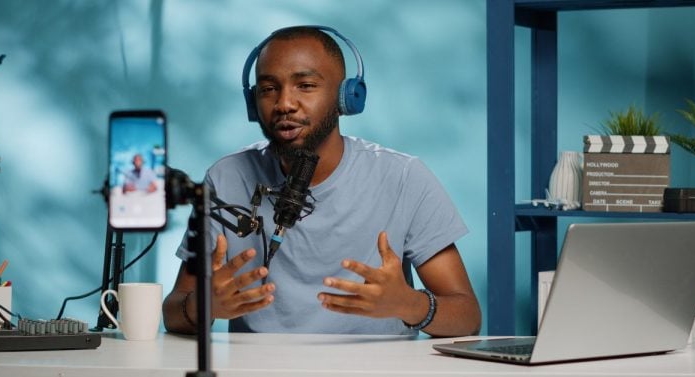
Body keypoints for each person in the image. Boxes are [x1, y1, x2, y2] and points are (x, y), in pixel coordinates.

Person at [163, 26, 481, 336]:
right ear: (253, 102)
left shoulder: (403, 177)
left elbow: (468, 317)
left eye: (305, 85)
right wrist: (204, 305)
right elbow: (174, 310)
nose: (284, 103)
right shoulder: (225, 178)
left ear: (346, 98)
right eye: (268, 89)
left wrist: (409, 304)